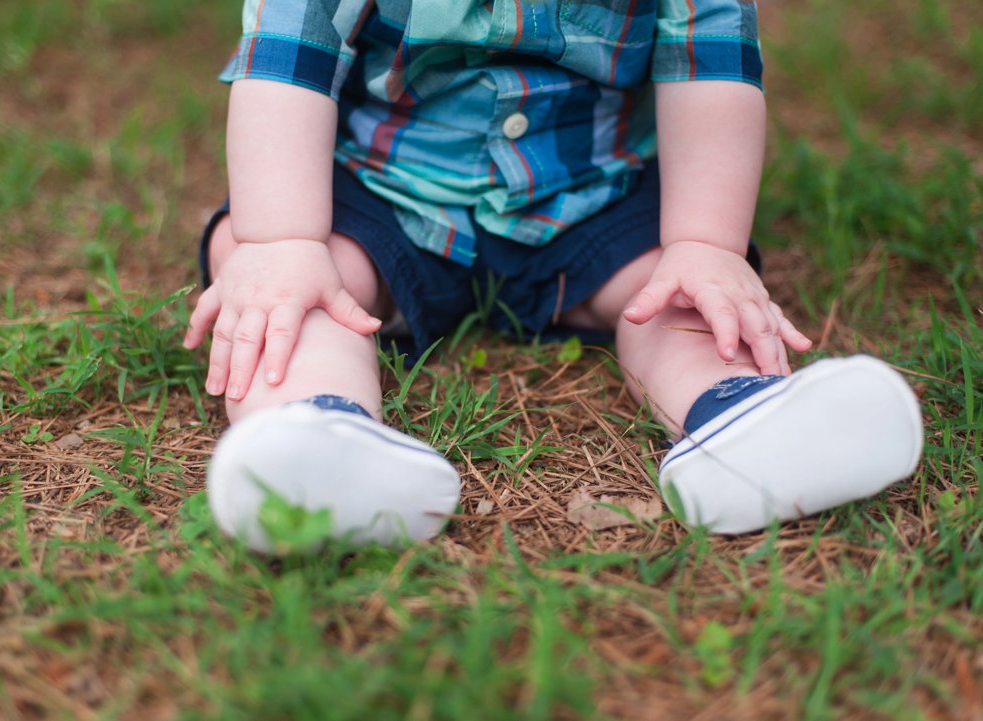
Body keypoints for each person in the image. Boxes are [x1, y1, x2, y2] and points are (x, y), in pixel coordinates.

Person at [183, 0, 923, 552]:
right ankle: (317, 434)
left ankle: (737, 417)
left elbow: (710, 63)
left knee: (675, 293)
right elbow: (288, 57)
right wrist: (283, 236)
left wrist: (704, 241)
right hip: (384, 193)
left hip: (592, 197)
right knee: (283, 283)